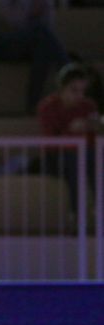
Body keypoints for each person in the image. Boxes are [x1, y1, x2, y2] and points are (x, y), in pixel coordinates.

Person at [37, 63, 103, 215]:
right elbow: (51, 141)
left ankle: (100, 208)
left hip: (88, 156)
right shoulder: (47, 107)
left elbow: (97, 129)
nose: (79, 96)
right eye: (74, 90)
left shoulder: (88, 106)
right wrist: (71, 131)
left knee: (93, 158)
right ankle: (77, 214)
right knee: (75, 159)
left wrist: (94, 125)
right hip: (57, 158)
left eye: (82, 91)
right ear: (61, 89)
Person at [0, 0, 68, 114]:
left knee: (43, 49)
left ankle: (33, 104)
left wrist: (41, 13)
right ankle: (68, 71)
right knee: (41, 33)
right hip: (5, 44)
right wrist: (31, 13)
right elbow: (8, 19)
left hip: (31, 47)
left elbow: (49, 28)